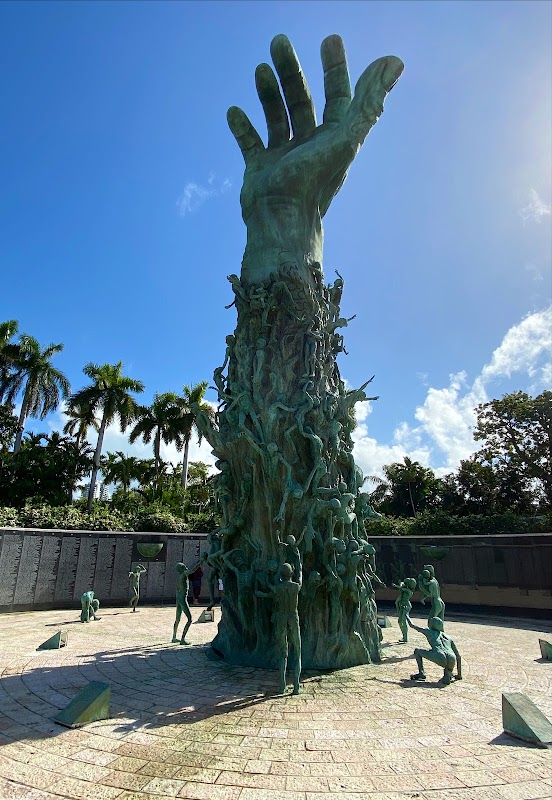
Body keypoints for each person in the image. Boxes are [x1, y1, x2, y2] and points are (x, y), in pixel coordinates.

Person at [256, 561, 302, 695]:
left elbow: (271, 585)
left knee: (283, 652)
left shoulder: (277, 587)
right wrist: (298, 562)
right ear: (291, 574)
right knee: (297, 652)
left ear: (281, 575)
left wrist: (277, 574)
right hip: (293, 618)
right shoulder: (296, 587)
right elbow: (300, 575)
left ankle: (282, 685)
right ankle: (296, 686)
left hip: (281, 619)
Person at [407, 615, 462, 685]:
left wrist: (406, 615)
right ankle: (448, 672)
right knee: (449, 665)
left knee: (417, 651)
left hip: (439, 655)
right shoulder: (449, 637)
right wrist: (459, 675)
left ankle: (421, 673)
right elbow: (458, 656)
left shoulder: (429, 632)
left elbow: (412, 625)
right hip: (452, 658)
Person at [172, 558, 204, 645]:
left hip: (178, 599)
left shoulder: (179, 576)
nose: (186, 567)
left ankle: (174, 637)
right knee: (190, 619)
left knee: (177, 619)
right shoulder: (184, 574)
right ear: (181, 569)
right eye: (184, 566)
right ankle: (182, 639)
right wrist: (200, 562)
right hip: (182, 600)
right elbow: (192, 570)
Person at [392, 578, 417, 643]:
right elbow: (402, 585)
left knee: (403, 621)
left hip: (406, 607)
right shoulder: (403, 592)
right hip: (401, 606)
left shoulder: (409, 591)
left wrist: (395, 585)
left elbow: (401, 588)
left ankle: (405, 637)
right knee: (400, 621)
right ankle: (403, 636)